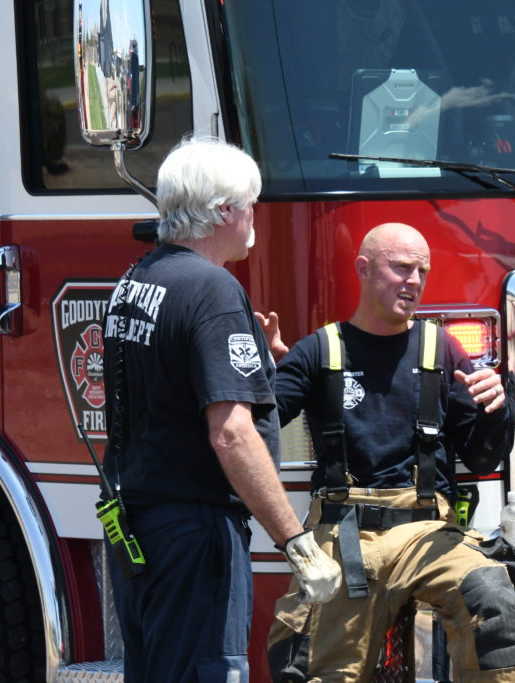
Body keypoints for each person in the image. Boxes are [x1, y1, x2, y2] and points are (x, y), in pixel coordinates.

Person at [101, 137, 340, 683]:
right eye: (251, 203)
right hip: (195, 534)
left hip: (136, 527)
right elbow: (231, 433)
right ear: (225, 210)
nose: (255, 216)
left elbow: (166, 394)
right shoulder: (213, 289)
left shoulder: (136, 280)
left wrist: (261, 365)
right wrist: (296, 542)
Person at [267, 222, 515, 681]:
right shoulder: (319, 350)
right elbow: (254, 426)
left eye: (421, 271)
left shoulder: (442, 349)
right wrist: (257, 376)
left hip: (427, 532)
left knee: (490, 597)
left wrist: (496, 408)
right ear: (363, 269)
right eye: (400, 268)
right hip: (344, 534)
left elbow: (480, 459)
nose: (413, 281)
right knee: (319, 666)